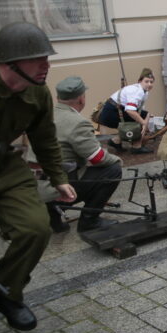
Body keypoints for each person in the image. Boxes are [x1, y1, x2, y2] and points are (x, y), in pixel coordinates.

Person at [0, 22, 77, 331]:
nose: (47, 65)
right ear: (10, 63)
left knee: (35, 229)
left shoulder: (38, 93)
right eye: (38, 58)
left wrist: (59, 178)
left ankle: (6, 292)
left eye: (47, 57)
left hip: (6, 167)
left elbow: (44, 138)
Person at [41, 76, 122, 233]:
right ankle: (89, 221)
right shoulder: (77, 122)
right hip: (58, 185)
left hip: (37, 183)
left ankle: (54, 214)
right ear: (81, 99)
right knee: (113, 170)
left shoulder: (46, 115)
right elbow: (98, 158)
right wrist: (118, 160)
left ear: (58, 97)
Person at [97, 68, 155, 154]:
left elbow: (139, 109)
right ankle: (136, 147)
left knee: (144, 115)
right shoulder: (137, 91)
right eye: (146, 81)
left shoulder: (144, 91)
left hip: (114, 110)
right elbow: (130, 111)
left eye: (151, 82)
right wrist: (143, 123)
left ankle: (115, 141)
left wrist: (146, 121)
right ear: (140, 81)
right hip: (110, 114)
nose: (149, 84)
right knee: (140, 118)